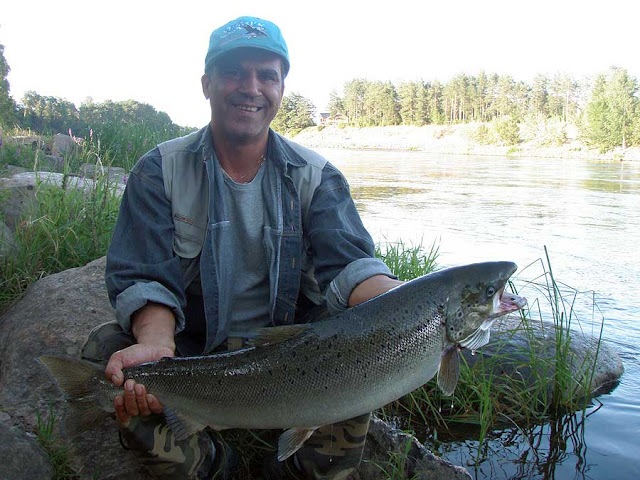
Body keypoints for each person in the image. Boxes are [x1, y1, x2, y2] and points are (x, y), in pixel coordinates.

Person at [81, 15, 401, 480]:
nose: (250, 88)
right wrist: (155, 344)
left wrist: (415, 303)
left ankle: (291, 470)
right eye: (234, 72)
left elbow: (352, 267)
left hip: (290, 359)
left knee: (353, 360)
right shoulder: (159, 170)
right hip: (193, 351)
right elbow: (146, 277)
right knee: (106, 352)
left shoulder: (318, 176)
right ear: (207, 84)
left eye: (266, 75)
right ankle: (214, 465)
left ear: (281, 89)